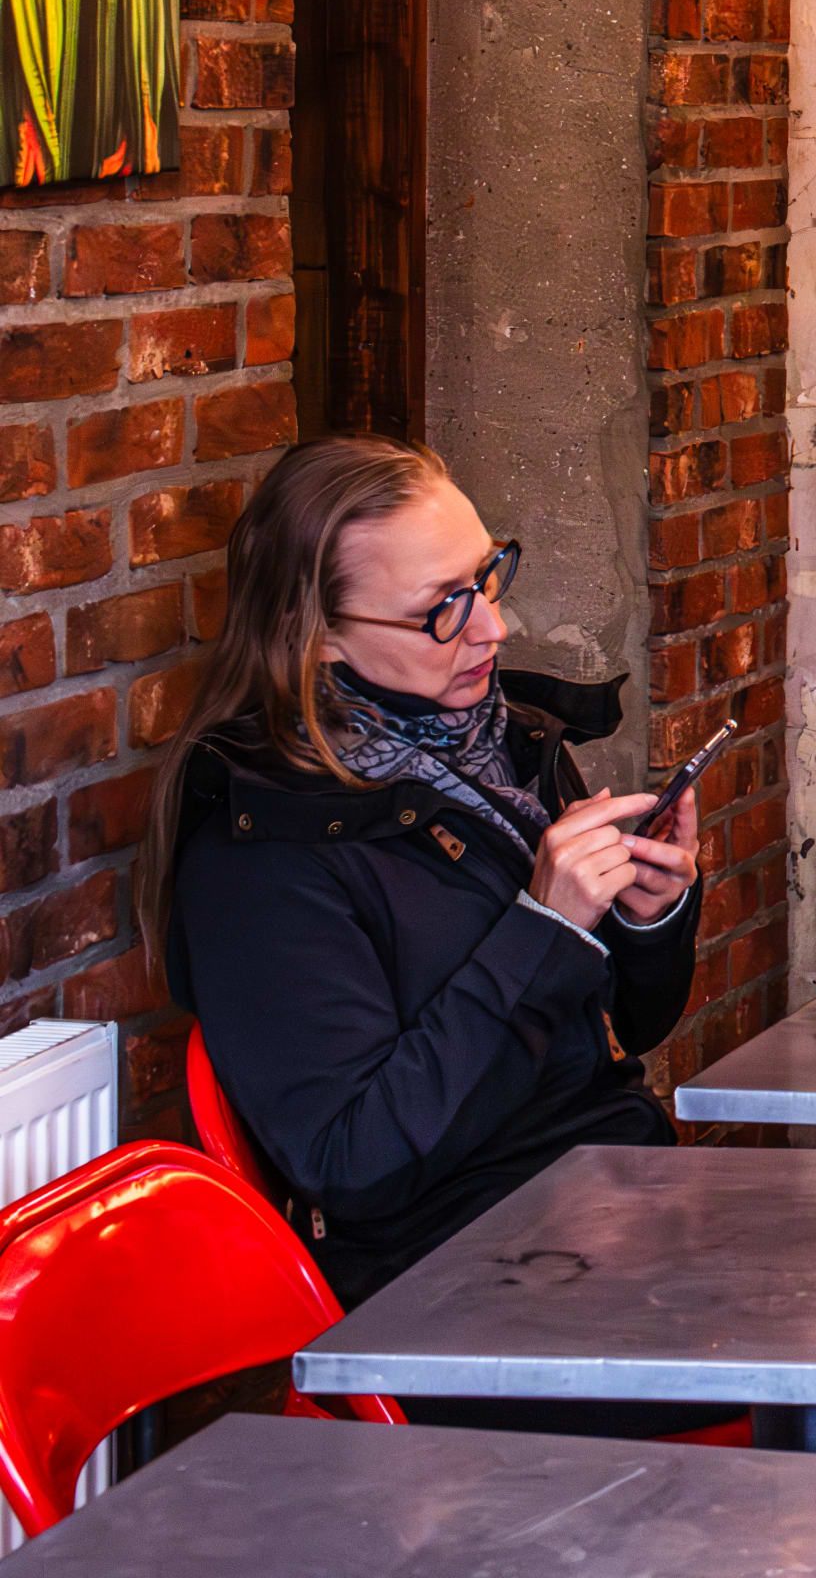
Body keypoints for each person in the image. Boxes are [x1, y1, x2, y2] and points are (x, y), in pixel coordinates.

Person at [155, 440, 700, 1359]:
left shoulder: (499, 745)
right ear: (318, 635)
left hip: (609, 1204)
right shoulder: (264, 859)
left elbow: (628, 1025)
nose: (492, 624)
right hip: (454, 1285)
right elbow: (355, 1161)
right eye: (441, 609)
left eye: (485, 579)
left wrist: (650, 917)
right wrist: (545, 928)